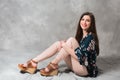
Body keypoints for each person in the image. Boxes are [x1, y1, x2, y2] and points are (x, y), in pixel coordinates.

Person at [18, 12, 99, 77]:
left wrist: (65, 45)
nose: (84, 22)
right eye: (82, 19)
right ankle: (34, 62)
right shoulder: (82, 36)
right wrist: (64, 45)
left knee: (70, 40)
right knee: (59, 44)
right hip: (77, 67)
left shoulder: (90, 36)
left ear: (91, 23)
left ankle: (53, 64)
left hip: (85, 70)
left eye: (87, 20)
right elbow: (76, 52)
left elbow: (80, 58)